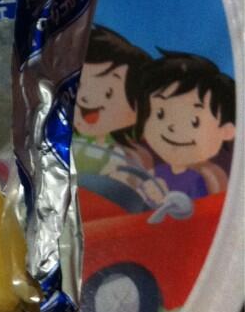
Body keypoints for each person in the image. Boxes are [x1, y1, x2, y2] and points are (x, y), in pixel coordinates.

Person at [130, 50, 235, 204]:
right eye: (160, 114)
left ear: (227, 131)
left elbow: (195, 211)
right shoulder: (158, 172)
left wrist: (163, 200)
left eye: (194, 121)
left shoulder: (200, 179)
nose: (171, 127)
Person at [73, 25, 150, 175]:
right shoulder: (64, 138)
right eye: (79, 85)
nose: (86, 98)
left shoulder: (124, 151)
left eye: (108, 93)